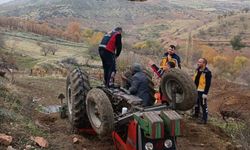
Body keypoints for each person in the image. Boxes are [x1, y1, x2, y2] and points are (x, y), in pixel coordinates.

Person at [193, 58, 212, 124]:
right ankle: (196, 115)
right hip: (196, 89)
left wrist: (205, 93)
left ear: (204, 64)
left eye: (200, 62)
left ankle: (204, 119)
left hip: (202, 91)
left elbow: (208, 84)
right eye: (198, 62)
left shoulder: (207, 72)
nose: (198, 63)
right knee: (196, 103)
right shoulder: (197, 70)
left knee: (203, 105)